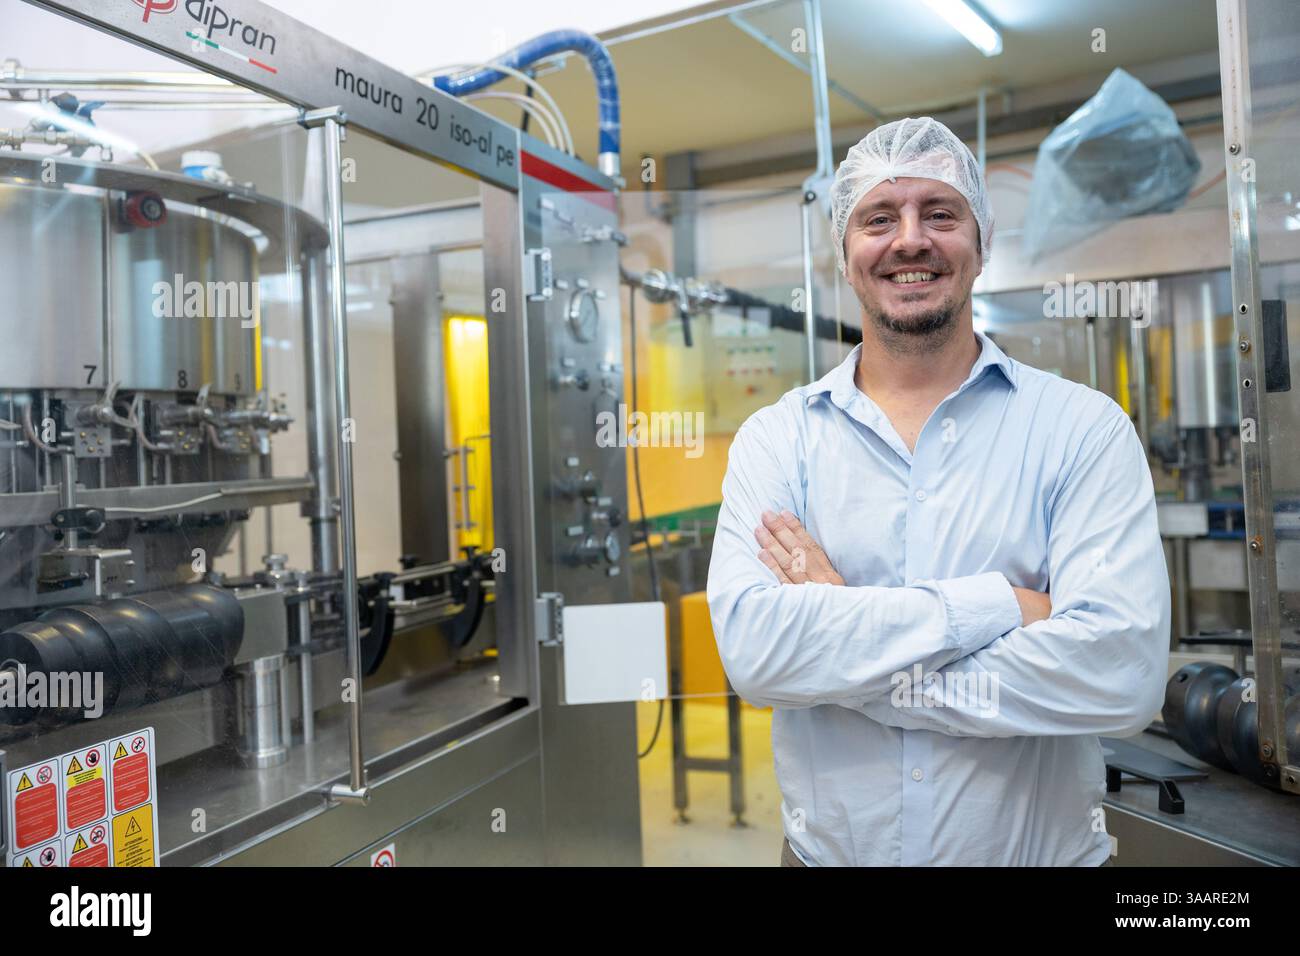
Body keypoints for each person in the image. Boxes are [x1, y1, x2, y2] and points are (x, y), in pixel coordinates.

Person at [706, 117, 1170, 866]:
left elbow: (1119, 675)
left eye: (941, 213)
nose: (910, 240)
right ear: (844, 255)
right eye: (879, 218)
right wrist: (998, 607)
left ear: (980, 243)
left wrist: (843, 648)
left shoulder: (1081, 429)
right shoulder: (778, 438)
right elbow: (758, 655)